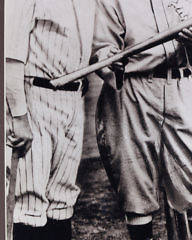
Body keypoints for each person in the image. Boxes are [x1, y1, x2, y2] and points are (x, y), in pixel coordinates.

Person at [91, 0, 192, 239]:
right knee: (135, 182)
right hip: (132, 87)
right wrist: (111, 59)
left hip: (179, 83)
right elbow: (101, 45)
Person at [5, 0, 95, 239]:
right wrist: (19, 116)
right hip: (35, 94)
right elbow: (9, 60)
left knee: (62, 199)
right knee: (29, 200)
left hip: (73, 97)